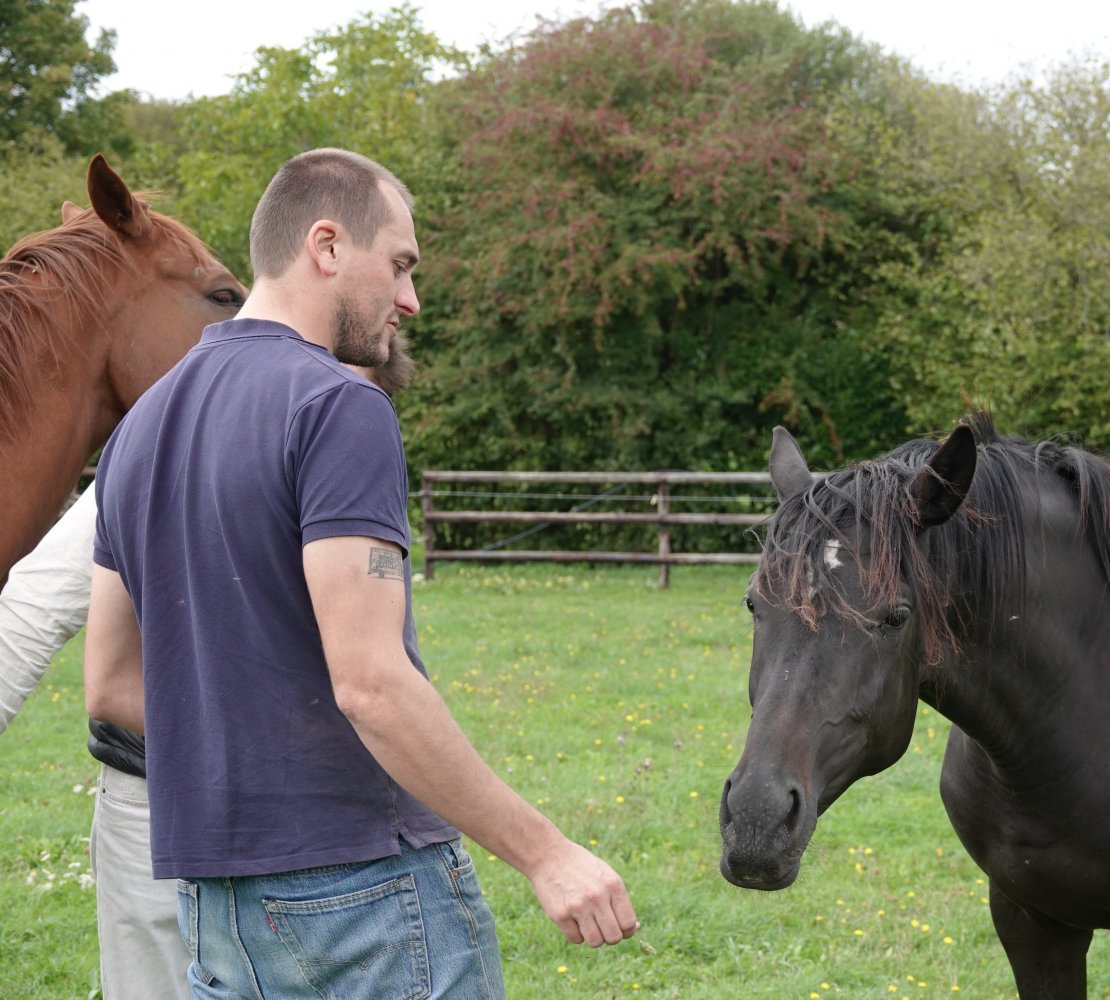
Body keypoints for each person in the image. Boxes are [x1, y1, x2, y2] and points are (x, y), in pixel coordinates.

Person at [84, 147, 637, 999]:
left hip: (215, 906)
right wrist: (547, 853)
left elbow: (112, 685)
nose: (410, 300)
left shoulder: (140, 427)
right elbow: (372, 685)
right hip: (366, 895)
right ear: (328, 245)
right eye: (402, 265)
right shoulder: (337, 405)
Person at [0, 343, 416, 1000]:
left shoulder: (342, 471)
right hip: (163, 793)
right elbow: (42, 613)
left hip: (307, 812)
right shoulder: (168, 443)